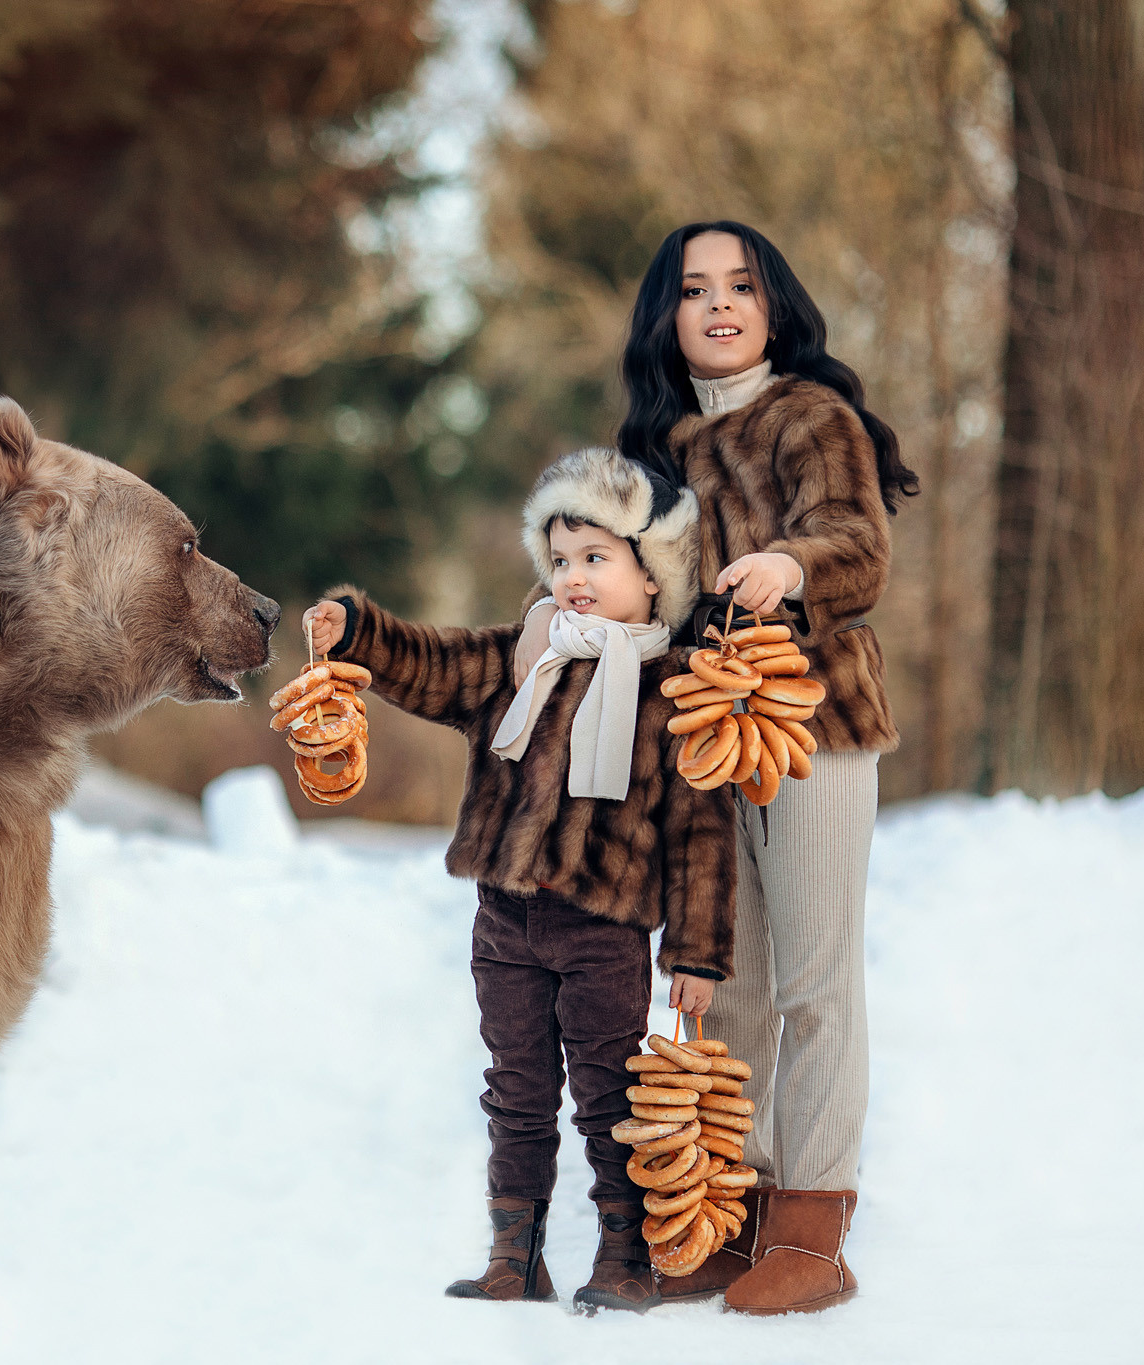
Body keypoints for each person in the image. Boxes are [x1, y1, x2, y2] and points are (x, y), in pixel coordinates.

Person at [514, 221, 916, 1315]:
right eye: (694, 290)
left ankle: (814, 1223)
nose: (721, 303)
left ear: (772, 306)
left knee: (813, 979)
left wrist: (789, 560)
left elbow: (855, 539)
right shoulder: (659, 451)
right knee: (723, 980)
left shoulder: (811, 417)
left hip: (810, 720)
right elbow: (625, 584)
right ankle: (723, 1213)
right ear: (666, 318)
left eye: (741, 285)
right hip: (700, 734)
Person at [304, 446, 735, 1315]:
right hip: (504, 920)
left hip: (603, 928)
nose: (575, 578)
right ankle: (516, 1251)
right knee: (516, 1085)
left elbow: (699, 833)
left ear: (651, 577)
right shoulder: (519, 656)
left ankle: (623, 1252)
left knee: (612, 1087)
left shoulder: (672, 687)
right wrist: (356, 630)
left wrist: (697, 951)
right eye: (562, 560)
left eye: (597, 558)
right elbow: (426, 664)